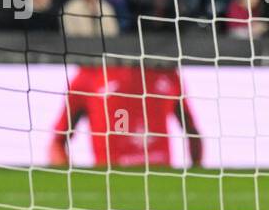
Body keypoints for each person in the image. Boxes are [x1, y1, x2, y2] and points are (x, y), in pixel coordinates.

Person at [50, 63, 203, 167]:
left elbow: (193, 132)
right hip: (110, 179)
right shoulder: (88, 75)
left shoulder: (167, 73)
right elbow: (57, 141)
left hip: (161, 177)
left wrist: (196, 173)